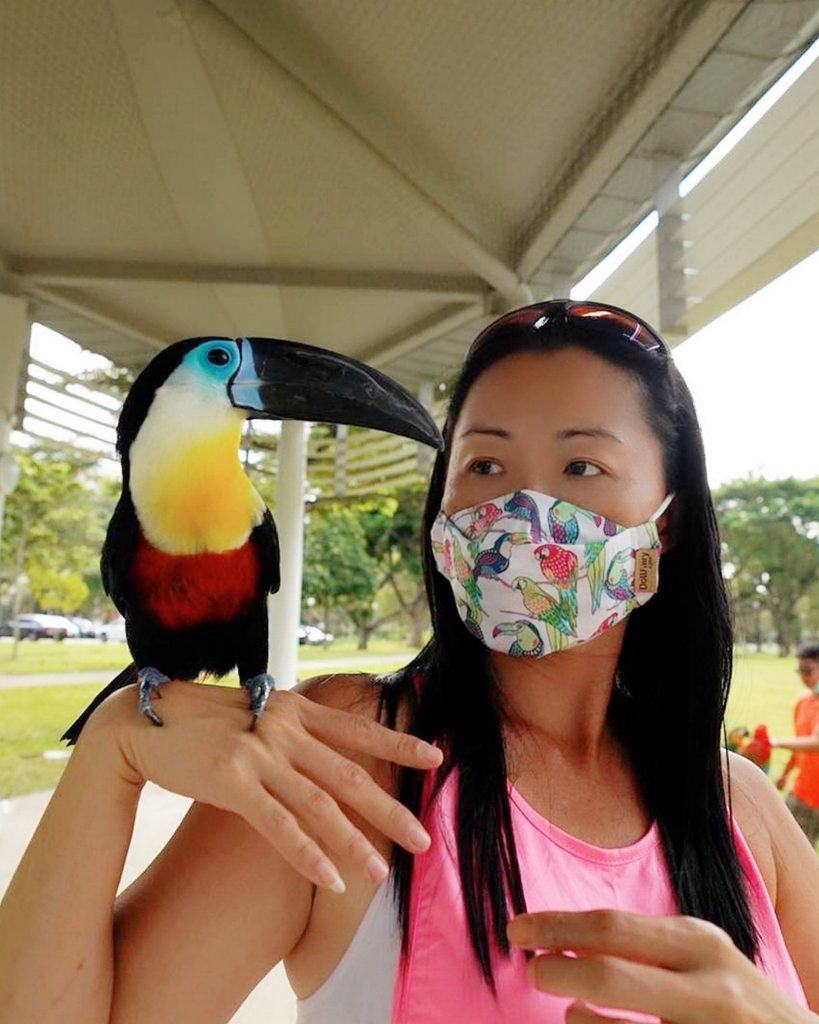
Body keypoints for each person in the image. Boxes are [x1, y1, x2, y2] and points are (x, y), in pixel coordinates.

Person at [1, 300, 817, 1024]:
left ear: (665, 523)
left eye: (581, 466)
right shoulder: (349, 756)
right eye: (484, 465)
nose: (517, 509)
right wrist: (115, 746)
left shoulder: (740, 810)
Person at [772, 641, 819, 846]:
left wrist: (775, 742)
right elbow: (800, 742)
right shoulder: (802, 702)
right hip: (802, 793)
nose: (804, 677)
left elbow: (816, 742)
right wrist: (785, 773)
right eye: (800, 671)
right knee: (785, 847)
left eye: (808, 671)